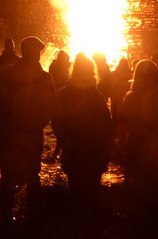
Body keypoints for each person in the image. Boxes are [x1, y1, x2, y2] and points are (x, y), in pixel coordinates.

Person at [0, 36, 56, 223]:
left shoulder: (7, 74)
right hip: (30, 133)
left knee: (8, 173)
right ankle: (33, 217)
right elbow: (51, 105)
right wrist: (38, 123)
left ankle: (6, 214)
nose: (39, 55)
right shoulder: (43, 78)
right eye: (38, 51)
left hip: (10, 132)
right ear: (33, 52)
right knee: (31, 172)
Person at [52, 53, 113, 212]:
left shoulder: (65, 94)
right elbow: (107, 124)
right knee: (91, 189)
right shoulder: (96, 96)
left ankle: (76, 218)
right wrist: (106, 145)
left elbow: (57, 121)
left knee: (75, 187)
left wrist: (65, 140)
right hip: (92, 150)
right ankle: (88, 218)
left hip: (75, 150)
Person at [119, 60, 158, 222]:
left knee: (139, 183)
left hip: (138, 145)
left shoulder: (132, 96)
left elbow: (123, 121)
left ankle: (139, 219)